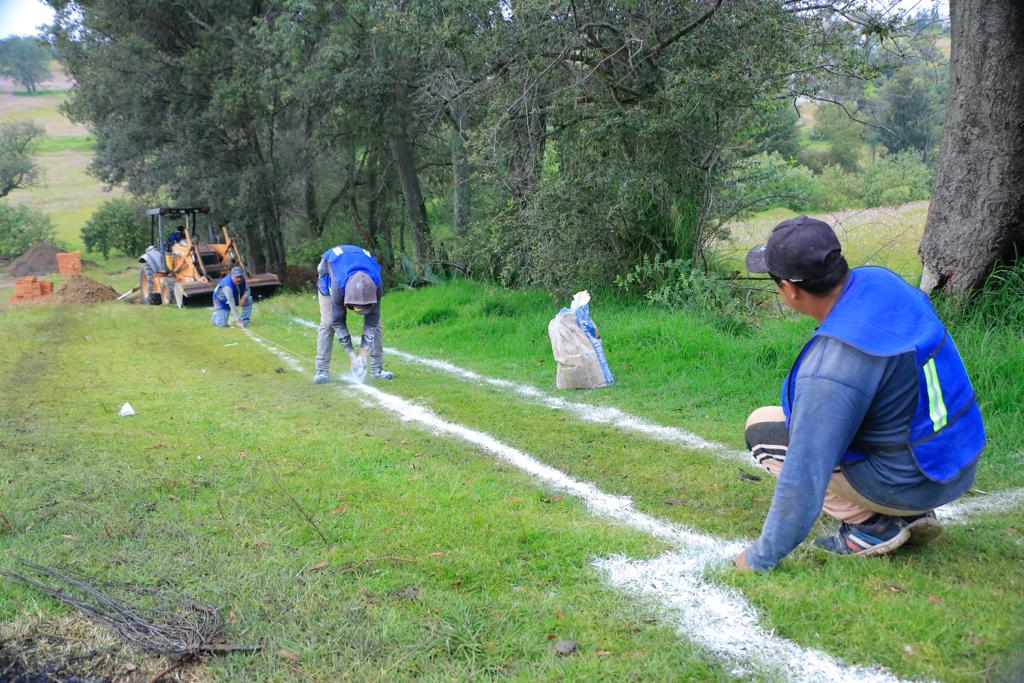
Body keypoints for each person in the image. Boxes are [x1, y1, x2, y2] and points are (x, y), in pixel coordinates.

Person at [736, 216, 985, 573]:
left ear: (790, 289)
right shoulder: (881, 281)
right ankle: (904, 506)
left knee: (763, 427)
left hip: (913, 479)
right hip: (956, 456)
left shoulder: (835, 363)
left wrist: (761, 556)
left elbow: (805, 473)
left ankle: (870, 526)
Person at [313, 244, 394, 384]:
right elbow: (338, 322)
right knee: (328, 322)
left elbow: (372, 322)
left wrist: (362, 356)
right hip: (330, 269)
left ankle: (377, 369)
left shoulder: (376, 285)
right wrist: (352, 356)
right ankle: (322, 370)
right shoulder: (338, 286)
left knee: (377, 324)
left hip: (357, 265)